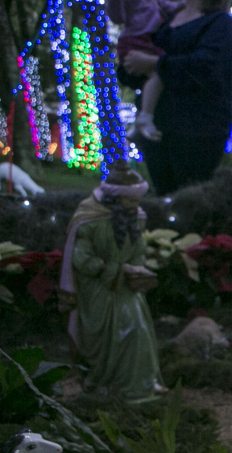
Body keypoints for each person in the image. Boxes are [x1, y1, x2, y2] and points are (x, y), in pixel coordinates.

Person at [123, 0, 232, 194]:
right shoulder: (165, 22)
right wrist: (129, 64)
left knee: (190, 201)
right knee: (165, 199)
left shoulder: (220, 23)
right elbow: (140, 74)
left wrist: (154, 63)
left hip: (198, 132)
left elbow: (205, 66)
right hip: (158, 132)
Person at [57, 161, 166, 402]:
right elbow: (81, 259)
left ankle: (142, 383)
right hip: (98, 289)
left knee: (140, 332)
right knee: (119, 335)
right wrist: (117, 269)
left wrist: (138, 270)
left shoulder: (134, 216)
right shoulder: (90, 218)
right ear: (115, 199)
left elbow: (137, 248)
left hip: (125, 287)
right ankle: (109, 385)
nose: (135, 206)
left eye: (137, 200)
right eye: (130, 201)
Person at [98, 0, 179, 142]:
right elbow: (116, 16)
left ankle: (139, 119)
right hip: (134, 42)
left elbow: (169, 7)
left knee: (153, 77)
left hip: (147, 40)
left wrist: (186, 5)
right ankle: (145, 117)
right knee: (159, 71)